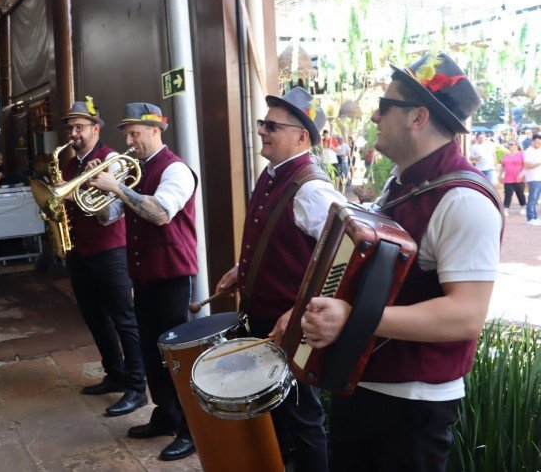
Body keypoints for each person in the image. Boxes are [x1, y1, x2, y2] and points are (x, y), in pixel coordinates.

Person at [300, 52, 502, 471]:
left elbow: (466, 315)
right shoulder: (402, 181)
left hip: (413, 406)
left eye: (384, 106)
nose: (375, 117)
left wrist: (354, 319)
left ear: (417, 117)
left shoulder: (463, 199)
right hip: (366, 385)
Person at [216, 87, 344, 472]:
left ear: (301, 136)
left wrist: (299, 311)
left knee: (304, 419)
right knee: (275, 410)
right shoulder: (272, 175)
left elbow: (341, 263)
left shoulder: (313, 189)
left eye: (272, 126)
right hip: (264, 321)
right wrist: (246, 269)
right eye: (262, 123)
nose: (262, 132)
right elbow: (277, 240)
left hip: (293, 328)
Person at [89, 102, 198, 461]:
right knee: (153, 355)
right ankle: (165, 415)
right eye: (127, 135)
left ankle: (190, 429)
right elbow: (108, 218)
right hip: (145, 275)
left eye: (135, 133)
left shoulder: (176, 169)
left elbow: (161, 213)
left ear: (156, 130)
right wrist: (102, 189)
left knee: (175, 358)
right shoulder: (135, 172)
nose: (130, 141)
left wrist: (118, 189)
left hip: (172, 275)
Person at [60, 99, 146, 418]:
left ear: (96, 129)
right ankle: (115, 373)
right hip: (80, 251)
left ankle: (137, 387)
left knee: (124, 318)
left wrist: (75, 196)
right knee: (94, 316)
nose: (74, 133)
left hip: (111, 251)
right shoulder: (69, 166)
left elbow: (112, 213)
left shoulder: (110, 160)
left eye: (80, 127)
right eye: (70, 127)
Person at [499, 141, 526, 217]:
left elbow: (525, 165)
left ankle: (523, 207)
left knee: (520, 194)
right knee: (508, 194)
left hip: (519, 178)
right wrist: (500, 175)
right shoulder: (506, 155)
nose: (510, 146)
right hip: (508, 178)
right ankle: (506, 209)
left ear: (517, 145)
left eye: (511, 144)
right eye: (509, 144)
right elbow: (502, 166)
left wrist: (522, 173)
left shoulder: (522, 154)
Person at [525, 134, 541, 225]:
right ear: (533, 141)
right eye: (537, 142)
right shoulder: (528, 151)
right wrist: (539, 164)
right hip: (533, 178)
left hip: (539, 178)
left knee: (536, 199)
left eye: (540, 143)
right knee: (532, 198)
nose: (539, 144)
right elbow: (527, 165)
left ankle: (535, 217)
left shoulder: (539, 150)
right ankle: (530, 218)